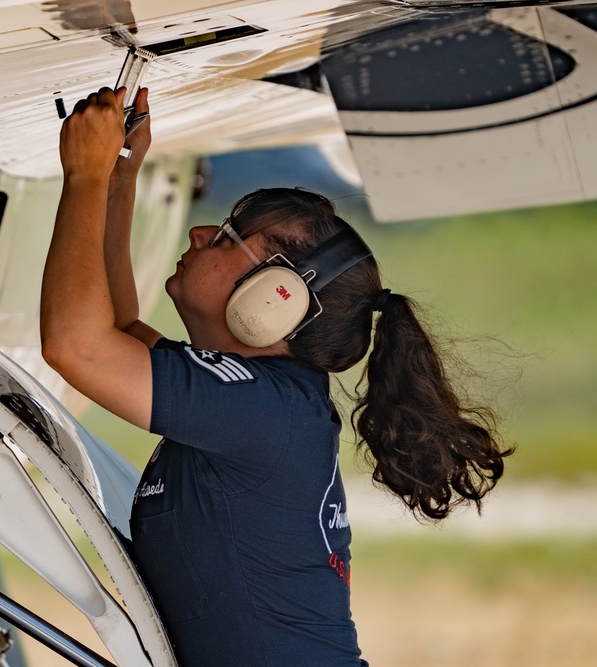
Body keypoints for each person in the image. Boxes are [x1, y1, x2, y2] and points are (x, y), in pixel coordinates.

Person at [39, 87, 511, 666]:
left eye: (228, 236)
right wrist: (118, 177)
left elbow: (77, 346)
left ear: (276, 297)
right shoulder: (269, 403)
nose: (197, 233)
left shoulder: (264, 412)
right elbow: (112, 326)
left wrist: (82, 177)